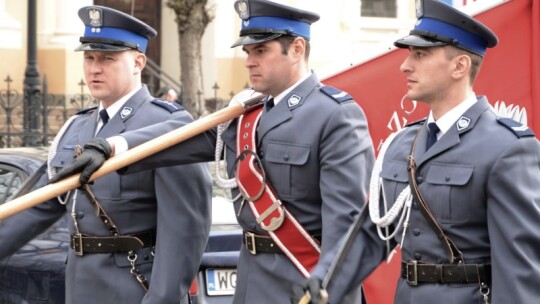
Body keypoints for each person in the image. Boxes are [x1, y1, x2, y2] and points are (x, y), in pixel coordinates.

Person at [51, 0, 376, 303]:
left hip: (303, 279)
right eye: (247, 51)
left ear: (297, 48)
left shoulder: (334, 115)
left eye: (260, 50)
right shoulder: (247, 115)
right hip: (250, 281)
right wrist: (111, 146)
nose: (249, 61)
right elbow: (183, 136)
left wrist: (328, 284)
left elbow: (346, 223)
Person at [292, 0, 540, 303]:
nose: (405, 65)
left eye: (420, 54)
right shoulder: (403, 143)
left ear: (459, 66)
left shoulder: (507, 149)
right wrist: (324, 281)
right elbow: (373, 232)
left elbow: (520, 271)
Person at [0, 6, 212, 304]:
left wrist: (161, 300)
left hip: (133, 288)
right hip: (80, 287)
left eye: (108, 59)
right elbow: (36, 206)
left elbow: (185, 229)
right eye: (89, 57)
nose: (94, 68)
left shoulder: (164, 125)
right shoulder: (76, 127)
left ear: (139, 62)